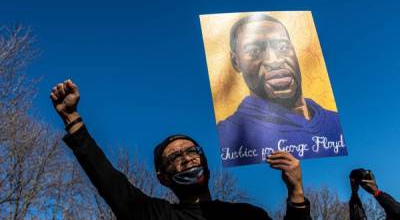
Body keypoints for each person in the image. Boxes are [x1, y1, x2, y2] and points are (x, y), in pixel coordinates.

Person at [50, 79, 312, 220]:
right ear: (162, 177)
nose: (186, 158)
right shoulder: (155, 215)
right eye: (174, 157)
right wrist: (72, 119)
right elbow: (109, 180)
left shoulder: (247, 215)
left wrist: (296, 193)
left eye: (192, 151)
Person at [217, 13, 346, 166]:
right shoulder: (229, 134)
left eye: (283, 47)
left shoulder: (336, 121)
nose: (274, 60)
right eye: (254, 52)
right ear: (235, 61)